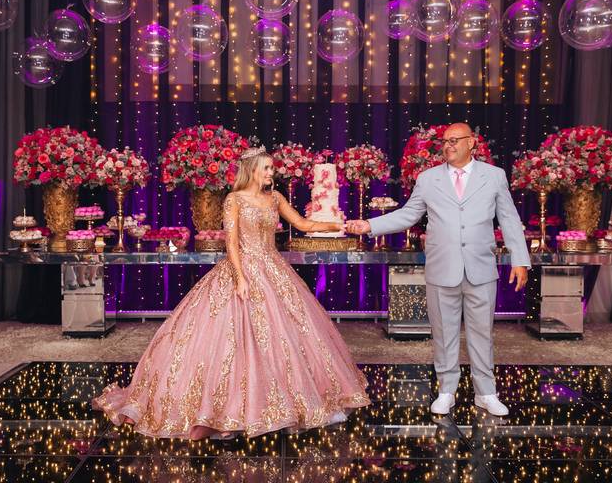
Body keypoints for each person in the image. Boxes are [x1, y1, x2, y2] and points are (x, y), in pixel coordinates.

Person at [93, 146, 370, 440]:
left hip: (273, 269)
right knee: (227, 339)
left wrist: (340, 224)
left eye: (272, 168)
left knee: (287, 336)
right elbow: (232, 242)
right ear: (252, 170)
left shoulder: (275, 198)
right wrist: (240, 278)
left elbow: (303, 223)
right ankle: (224, 411)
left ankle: (280, 404)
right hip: (241, 269)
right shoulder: (234, 199)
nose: (271, 172)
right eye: (266, 168)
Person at [346, 123, 530, 417]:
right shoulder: (428, 179)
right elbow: (409, 214)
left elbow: (508, 218)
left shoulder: (494, 176)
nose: (448, 145)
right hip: (442, 268)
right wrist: (370, 225)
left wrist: (520, 259)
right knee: (444, 333)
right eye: (445, 141)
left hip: (481, 268)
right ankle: (446, 391)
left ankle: (486, 393)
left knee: (483, 334)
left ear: (472, 143)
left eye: (455, 140)